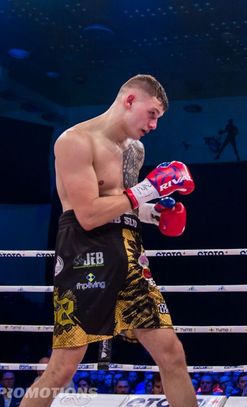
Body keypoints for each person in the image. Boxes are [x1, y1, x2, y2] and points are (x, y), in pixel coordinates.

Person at [20, 74, 197, 407]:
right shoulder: (75, 141)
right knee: (62, 368)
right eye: (152, 114)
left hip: (129, 250)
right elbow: (88, 214)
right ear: (129, 100)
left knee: (171, 353)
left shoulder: (135, 150)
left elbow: (122, 201)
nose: (154, 125)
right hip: (84, 251)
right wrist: (149, 189)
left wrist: (154, 213)